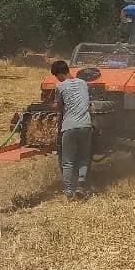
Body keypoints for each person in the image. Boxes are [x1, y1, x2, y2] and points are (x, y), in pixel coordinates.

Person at [51, 59, 93, 200]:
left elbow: (57, 107)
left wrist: (52, 105)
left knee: (67, 161)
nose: (57, 79)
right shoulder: (83, 83)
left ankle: (69, 192)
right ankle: (81, 186)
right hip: (86, 125)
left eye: (56, 76)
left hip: (70, 127)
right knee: (84, 158)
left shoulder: (60, 86)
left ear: (59, 74)